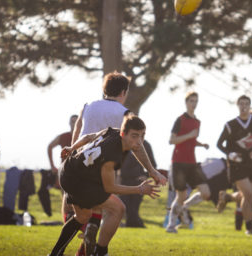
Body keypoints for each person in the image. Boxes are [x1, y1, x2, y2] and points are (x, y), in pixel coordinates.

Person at [71, 71, 166, 255]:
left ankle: (87, 236)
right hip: (102, 168)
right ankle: (101, 250)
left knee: (92, 209)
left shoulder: (88, 106)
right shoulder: (125, 114)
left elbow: (79, 129)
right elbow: (137, 146)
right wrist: (152, 170)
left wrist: (72, 153)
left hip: (79, 167)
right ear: (123, 92)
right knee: (116, 210)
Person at [48, 114, 160, 256]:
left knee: (83, 215)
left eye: (142, 136)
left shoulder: (112, 131)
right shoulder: (112, 155)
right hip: (77, 180)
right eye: (134, 136)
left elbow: (88, 137)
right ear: (123, 133)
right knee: (118, 209)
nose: (139, 141)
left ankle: (55, 253)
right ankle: (100, 252)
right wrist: (140, 189)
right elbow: (110, 188)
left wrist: (72, 147)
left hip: (69, 170)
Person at [217, 95, 252, 235]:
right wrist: (230, 154)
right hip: (236, 165)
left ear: (250, 105)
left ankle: (228, 198)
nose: (244, 106)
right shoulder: (231, 125)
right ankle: (249, 227)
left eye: (246, 103)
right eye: (241, 104)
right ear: (237, 105)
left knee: (248, 197)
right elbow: (219, 144)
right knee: (248, 193)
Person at [166, 91, 209, 233]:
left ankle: (184, 207)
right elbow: (172, 140)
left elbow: (190, 141)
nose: (194, 104)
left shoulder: (198, 122)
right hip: (178, 162)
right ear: (186, 102)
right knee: (181, 195)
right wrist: (190, 135)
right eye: (191, 101)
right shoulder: (180, 120)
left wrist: (200, 144)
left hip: (192, 163)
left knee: (205, 193)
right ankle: (171, 225)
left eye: (196, 101)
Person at [47, 114, 78, 221]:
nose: (74, 123)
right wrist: (52, 166)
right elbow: (50, 146)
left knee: (78, 199)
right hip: (65, 171)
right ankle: (66, 221)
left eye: (76, 121)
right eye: (72, 121)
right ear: (69, 123)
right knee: (65, 197)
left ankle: (77, 221)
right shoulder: (63, 136)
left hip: (80, 172)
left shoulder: (83, 136)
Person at [120, 139, 156, 227]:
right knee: (126, 205)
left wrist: (146, 175)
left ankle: (134, 224)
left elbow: (153, 164)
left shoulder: (146, 145)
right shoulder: (123, 143)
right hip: (124, 180)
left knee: (134, 206)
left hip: (139, 181)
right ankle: (135, 224)